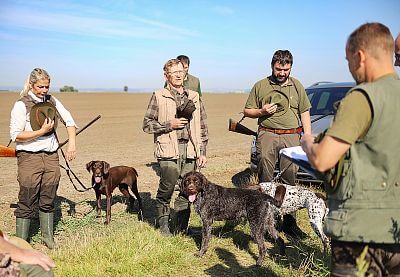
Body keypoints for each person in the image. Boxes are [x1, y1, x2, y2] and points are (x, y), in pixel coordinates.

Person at [301, 22, 400, 276]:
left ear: (360, 56)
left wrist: (309, 143)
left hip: (360, 232)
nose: (349, 67)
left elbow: (323, 160)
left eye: (348, 60)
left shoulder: (363, 97)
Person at [243, 50, 311, 239]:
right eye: (278, 69)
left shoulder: (297, 86)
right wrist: (261, 111)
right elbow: (247, 111)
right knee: (265, 182)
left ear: (291, 67)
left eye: (286, 69)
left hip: (291, 137)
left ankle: (290, 224)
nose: (282, 73)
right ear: (272, 65)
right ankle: (265, 225)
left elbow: (305, 111)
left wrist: (308, 136)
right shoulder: (261, 85)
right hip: (267, 135)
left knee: (290, 182)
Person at [10, 68, 77, 249]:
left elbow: (69, 121)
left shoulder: (52, 101)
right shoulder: (21, 105)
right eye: (40, 87)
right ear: (32, 85)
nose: (44, 90)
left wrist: (72, 143)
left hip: (51, 157)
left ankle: (48, 239)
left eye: (47, 86)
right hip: (29, 157)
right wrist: (40, 132)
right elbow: (15, 135)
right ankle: (21, 244)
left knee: (48, 196)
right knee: (27, 198)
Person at [143, 58, 208, 236]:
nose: (179, 75)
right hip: (168, 149)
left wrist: (202, 152)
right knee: (168, 187)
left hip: (190, 150)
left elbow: (202, 127)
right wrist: (168, 124)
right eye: (174, 72)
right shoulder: (159, 95)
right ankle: (164, 227)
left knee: (187, 190)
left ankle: (181, 229)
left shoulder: (194, 96)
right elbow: (147, 125)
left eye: (181, 71)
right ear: (166, 75)